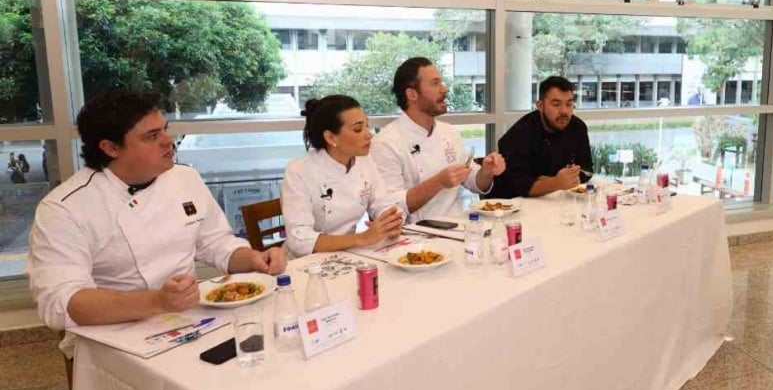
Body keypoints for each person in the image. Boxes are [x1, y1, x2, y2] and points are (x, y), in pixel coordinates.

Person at [27, 90, 287, 332]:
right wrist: (158, 301)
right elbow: (59, 303)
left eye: (165, 129)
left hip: (190, 318)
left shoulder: (185, 177)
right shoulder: (64, 209)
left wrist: (254, 259)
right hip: (111, 333)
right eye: (151, 136)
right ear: (110, 147)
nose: (168, 142)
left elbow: (216, 243)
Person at [371, 57, 506, 222]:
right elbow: (390, 207)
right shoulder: (387, 142)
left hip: (458, 225)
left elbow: (474, 183)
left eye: (441, 82)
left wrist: (486, 171)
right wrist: (439, 182)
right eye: (435, 83)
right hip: (416, 236)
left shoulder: (447, 131)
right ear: (412, 94)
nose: (444, 89)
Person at [281, 95, 406, 256]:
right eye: (358, 129)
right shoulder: (299, 171)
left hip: (348, 253)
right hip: (306, 261)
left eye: (367, 126)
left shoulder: (364, 161)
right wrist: (363, 238)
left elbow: (382, 203)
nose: (369, 135)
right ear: (331, 137)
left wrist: (390, 222)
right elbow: (299, 239)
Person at [488, 76, 593, 198]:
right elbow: (519, 186)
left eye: (569, 104)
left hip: (558, 199)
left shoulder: (577, 127)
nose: (564, 111)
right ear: (540, 105)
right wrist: (556, 182)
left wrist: (562, 179)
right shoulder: (520, 134)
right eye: (556, 104)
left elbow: (587, 169)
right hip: (514, 207)